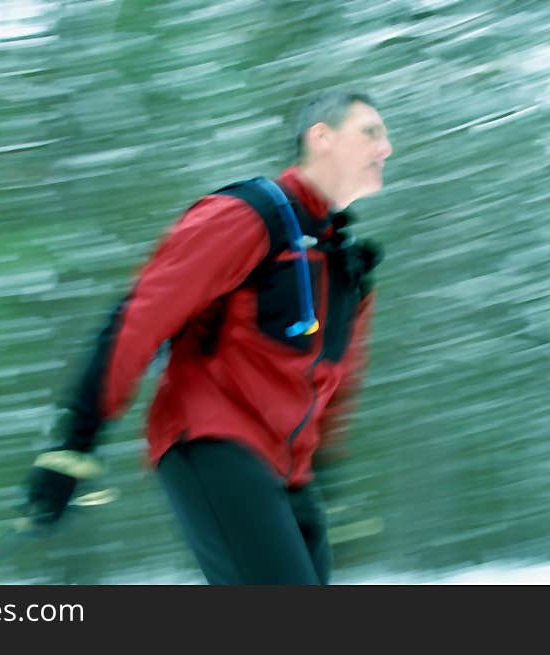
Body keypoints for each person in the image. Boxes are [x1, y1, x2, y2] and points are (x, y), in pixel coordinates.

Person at [23, 90, 393, 584]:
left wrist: (330, 487)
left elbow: (335, 390)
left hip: (289, 474)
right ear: (321, 137)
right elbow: (143, 316)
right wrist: (74, 442)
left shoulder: (344, 262)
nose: (385, 148)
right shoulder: (251, 215)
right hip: (214, 444)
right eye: (371, 132)